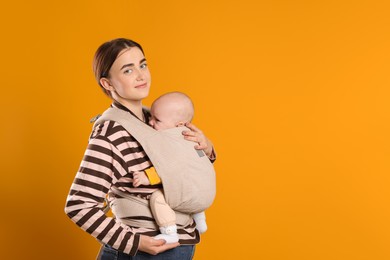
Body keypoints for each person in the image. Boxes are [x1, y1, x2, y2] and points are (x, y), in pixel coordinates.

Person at [64, 38, 215, 260]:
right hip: (142, 252)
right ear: (107, 84)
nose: (141, 75)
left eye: (142, 65)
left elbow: (182, 173)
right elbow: (79, 204)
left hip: (180, 245)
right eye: (128, 70)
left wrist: (207, 149)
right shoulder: (111, 131)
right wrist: (134, 242)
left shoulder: (155, 119)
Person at [132, 91, 210, 244]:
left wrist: (147, 177)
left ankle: (169, 232)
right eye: (151, 117)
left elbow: (168, 166)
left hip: (189, 189)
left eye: (157, 120)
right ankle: (200, 221)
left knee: (157, 198)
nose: (151, 123)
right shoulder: (190, 137)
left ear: (179, 125)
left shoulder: (170, 141)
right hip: (203, 190)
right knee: (194, 189)